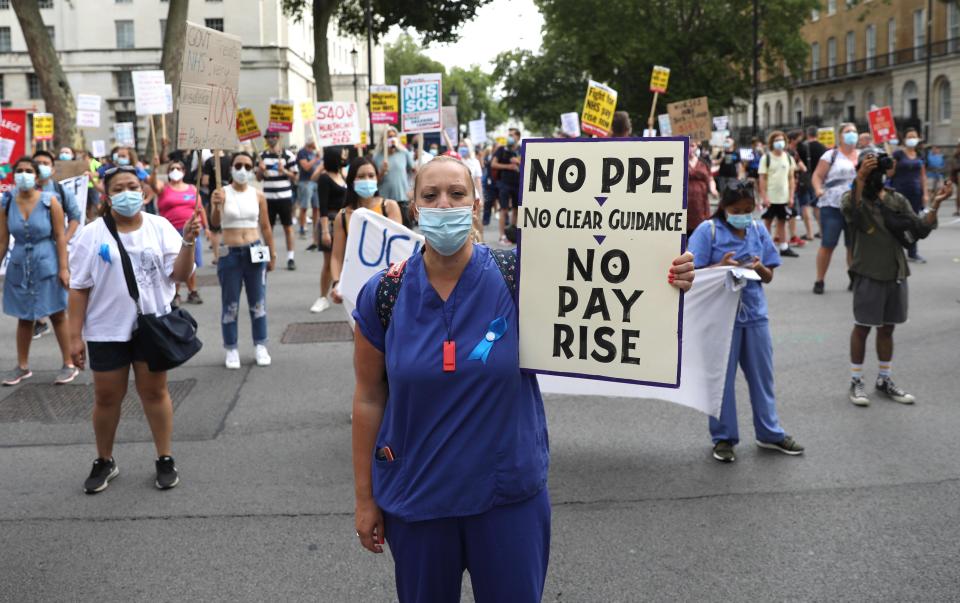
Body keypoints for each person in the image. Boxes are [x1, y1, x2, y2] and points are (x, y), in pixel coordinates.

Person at [349, 155, 695, 601]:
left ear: (477, 204)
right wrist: (364, 499)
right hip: (418, 501)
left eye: (456, 194)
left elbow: (611, 283)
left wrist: (666, 275)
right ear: (414, 207)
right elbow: (368, 397)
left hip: (507, 502)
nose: (444, 204)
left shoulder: (523, 277)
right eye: (430, 195)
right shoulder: (384, 292)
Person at [67, 164, 200, 493]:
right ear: (107, 196)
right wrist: (73, 337)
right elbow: (79, 287)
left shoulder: (160, 226)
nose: (126, 193)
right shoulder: (91, 233)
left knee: (154, 393)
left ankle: (165, 457)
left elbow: (180, 275)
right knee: (107, 396)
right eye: (118, 188)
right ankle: (104, 459)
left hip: (151, 326)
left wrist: (188, 242)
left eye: (132, 186)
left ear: (144, 192)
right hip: (105, 330)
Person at [687, 181, 804, 463]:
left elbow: (769, 275)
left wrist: (759, 267)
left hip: (754, 316)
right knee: (721, 382)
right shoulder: (708, 231)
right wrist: (719, 267)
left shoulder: (758, 230)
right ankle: (724, 438)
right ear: (724, 208)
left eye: (748, 210)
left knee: (762, 378)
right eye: (736, 210)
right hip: (719, 319)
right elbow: (692, 274)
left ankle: (770, 433)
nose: (743, 215)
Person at [842, 151, 953, 406]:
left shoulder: (896, 199)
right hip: (868, 271)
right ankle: (856, 380)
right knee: (862, 327)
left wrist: (936, 203)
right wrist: (859, 178)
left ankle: (884, 378)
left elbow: (920, 228)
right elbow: (854, 213)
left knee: (888, 327)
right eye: (869, 168)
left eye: (879, 168)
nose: (877, 173)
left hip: (896, 272)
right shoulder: (853, 198)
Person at [0, 157, 78, 386]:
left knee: (56, 313)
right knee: (25, 317)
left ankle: (68, 363)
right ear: (14, 175)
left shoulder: (49, 201)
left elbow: (60, 237)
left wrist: (64, 269)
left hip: (47, 262)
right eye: (19, 170)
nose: (23, 174)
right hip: (19, 265)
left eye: (28, 171)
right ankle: (22, 366)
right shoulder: (7, 203)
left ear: (36, 176)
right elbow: (3, 242)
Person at [210, 152, 277, 370]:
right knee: (230, 304)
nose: (243, 170)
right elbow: (214, 224)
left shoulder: (258, 195)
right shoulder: (222, 193)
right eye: (238, 165)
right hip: (230, 252)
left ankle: (260, 345)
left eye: (247, 166)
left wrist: (272, 253)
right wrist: (214, 205)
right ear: (230, 168)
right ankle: (231, 347)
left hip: (255, 249)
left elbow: (266, 226)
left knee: (258, 303)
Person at [329, 158, 403, 305]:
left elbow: (399, 249)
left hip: (388, 285)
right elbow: (336, 257)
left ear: (377, 178)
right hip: (357, 287)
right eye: (361, 176)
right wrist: (337, 283)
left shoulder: (389, 207)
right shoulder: (343, 216)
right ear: (352, 180)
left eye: (371, 175)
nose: (367, 180)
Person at [31, 150, 84, 340]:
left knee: (60, 285)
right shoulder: (23, 193)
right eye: (37, 163)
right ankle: (39, 321)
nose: (41, 167)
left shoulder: (61, 191)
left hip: (57, 249)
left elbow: (75, 216)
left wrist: (65, 238)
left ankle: (67, 323)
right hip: (33, 249)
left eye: (45, 163)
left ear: (52, 169)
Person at [150, 157, 206, 305]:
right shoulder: (164, 188)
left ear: (184, 171)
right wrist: (155, 169)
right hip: (171, 231)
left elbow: (200, 209)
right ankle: (174, 294)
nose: (175, 171)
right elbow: (152, 184)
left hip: (191, 231)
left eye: (178, 169)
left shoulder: (193, 189)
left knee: (191, 262)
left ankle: (192, 291)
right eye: (172, 169)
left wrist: (207, 228)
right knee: (173, 262)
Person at [811, 123, 859, 294]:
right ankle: (820, 279)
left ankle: (854, 278)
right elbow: (817, 175)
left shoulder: (862, 155)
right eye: (848, 132)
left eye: (854, 132)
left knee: (853, 245)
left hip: (855, 207)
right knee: (828, 244)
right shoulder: (831, 155)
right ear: (840, 136)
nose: (852, 134)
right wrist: (818, 189)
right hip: (832, 205)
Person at [310, 148, 348, 313]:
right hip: (330, 222)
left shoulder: (342, 177)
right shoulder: (325, 179)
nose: (344, 157)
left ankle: (342, 291)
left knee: (345, 260)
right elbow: (323, 207)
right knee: (329, 262)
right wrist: (325, 231)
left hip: (345, 222)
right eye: (342, 155)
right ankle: (322, 297)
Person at [257, 131, 298, 270]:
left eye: (274, 136)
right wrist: (260, 171)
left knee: (288, 227)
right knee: (267, 228)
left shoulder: (288, 155)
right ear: (266, 139)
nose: (272, 139)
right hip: (267, 198)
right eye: (269, 137)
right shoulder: (262, 156)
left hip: (284, 197)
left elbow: (296, 177)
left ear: (279, 138)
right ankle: (265, 257)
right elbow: (258, 178)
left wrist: (284, 171)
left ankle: (290, 257)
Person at [888, 128, 929, 263]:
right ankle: (894, 251)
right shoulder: (898, 154)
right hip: (899, 193)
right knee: (897, 222)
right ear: (904, 139)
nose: (912, 139)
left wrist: (925, 194)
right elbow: (889, 174)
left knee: (914, 223)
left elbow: (923, 176)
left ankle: (913, 252)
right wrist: (892, 164)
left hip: (916, 193)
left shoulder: (920, 155)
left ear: (918, 139)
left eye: (914, 136)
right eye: (909, 136)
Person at [758, 131, 798, 258]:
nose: (779, 143)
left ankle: (784, 246)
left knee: (782, 221)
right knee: (768, 222)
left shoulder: (788, 158)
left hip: (783, 197)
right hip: (770, 196)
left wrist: (791, 196)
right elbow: (762, 178)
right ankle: (765, 248)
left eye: (781, 140)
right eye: (776, 140)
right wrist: (764, 197)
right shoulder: (766, 158)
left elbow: (791, 178)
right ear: (771, 143)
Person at [374, 127, 416, 227]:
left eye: (394, 136)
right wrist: (382, 172)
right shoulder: (377, 157)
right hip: (384, 201)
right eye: (389, 137)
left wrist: (413, 190)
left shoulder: (404, 153)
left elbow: (415, 171)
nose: (392, 139)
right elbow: (375, 181)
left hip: (402, 199)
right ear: (383, 139)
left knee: (406, 231)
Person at [491, 128, 523, 245]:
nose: (509, 137)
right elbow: (493, 164)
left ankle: (512, 233)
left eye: (512, 135)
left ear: (518, 137)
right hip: (504, 183)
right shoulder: (501, 149)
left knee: (516, 209)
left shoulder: (522, 150)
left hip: (517, 183)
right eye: (508, 135)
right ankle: (502, 236)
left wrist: (519, 162)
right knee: (503, 209)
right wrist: (508, 166)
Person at [796, 126, 827, 240]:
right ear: (817, 135)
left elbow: (797, 162)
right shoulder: (823, 147)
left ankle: (809, 233)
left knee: (805, 205)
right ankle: (821, 231)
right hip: (819, 180)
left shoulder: (803, 147)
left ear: (807, 134)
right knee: (817, 207)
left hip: (805, 179)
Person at [687, 140, 717, 235]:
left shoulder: (703, 162)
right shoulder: (678, 161)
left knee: (701, 226)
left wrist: (713, 189)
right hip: (685, 201)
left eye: (692, 145)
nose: (690, 148)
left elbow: (710, 178)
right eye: (688, 146)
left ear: (696, 147)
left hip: (700, 201)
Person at [296, 140, 321, 243]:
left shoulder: (315, 153)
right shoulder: (302, 152)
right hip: (305, 182)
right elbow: (306, 167)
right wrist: (316, 159)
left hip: (316, 182)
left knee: (317, 207)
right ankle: (302, 228)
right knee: (304, 207)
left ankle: (316, 229)